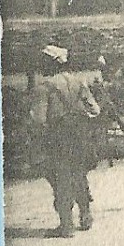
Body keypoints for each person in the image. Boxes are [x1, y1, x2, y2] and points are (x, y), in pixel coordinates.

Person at [33, 45, 103, 236]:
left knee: (61, 178)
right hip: (79, 135)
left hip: (58, 138)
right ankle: (86, 216)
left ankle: (67, 226)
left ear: (50, 64)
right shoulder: (79, 82)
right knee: (79, 175)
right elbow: (95, 110)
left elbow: (39, 119)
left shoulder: (44, 87)